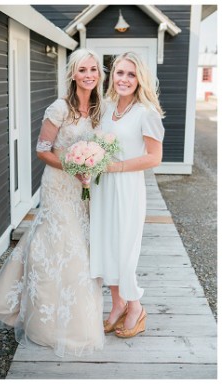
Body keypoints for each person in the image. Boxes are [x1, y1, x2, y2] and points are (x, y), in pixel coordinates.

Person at [0, 49, 106, 357]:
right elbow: (43, 150)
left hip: (84, 187)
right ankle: (47, 326)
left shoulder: (100, 109)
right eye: (83, 69)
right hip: (59, 185)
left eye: (94, 69)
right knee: (60, 246)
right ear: (73, 74)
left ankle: (76, 316)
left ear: (99, 75)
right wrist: (74, 166)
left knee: (82, 246)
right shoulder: (59, 108)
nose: (89, 74)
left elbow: (101, 147)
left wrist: (90, 169)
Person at [90, 52, 164, 338]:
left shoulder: (147, 113)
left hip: (127, 188)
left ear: (140, 79)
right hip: (102, 187)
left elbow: (154, 157)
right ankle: (117, 304)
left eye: (131, 74)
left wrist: (116, 166)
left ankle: (136, 308)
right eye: (120, 73)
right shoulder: (106, 108)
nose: (124, 79)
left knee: (124, 250)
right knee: (105, 245)